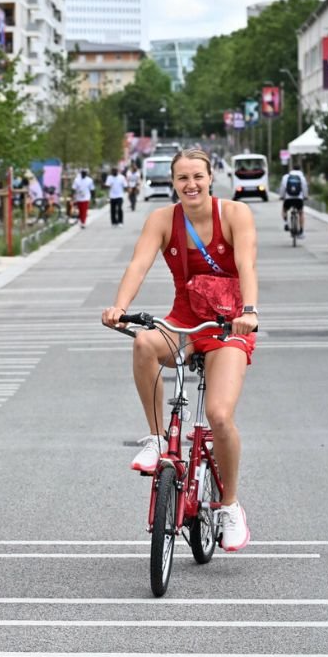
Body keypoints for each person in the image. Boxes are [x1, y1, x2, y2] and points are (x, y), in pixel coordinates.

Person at [100, 149, 258, 551]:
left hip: (227, 326)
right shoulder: (162, 220)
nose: (191, 185)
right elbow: (139, 264)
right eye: (182, 178)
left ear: (210, 178)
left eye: (197, 177)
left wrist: (250, 312)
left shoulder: (235, 214)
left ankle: (230, 505)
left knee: (220, 416)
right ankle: (156, 439)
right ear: (172, 182)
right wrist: (119, 305)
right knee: (143, 342)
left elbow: (247, 265)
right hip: (185, 323)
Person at [279, 167, 308, 238]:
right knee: (301, 213)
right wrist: (305, 196)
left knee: (284, 210)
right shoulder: (302, 177)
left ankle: (286, 223)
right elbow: (305, 188)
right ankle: (301, 230)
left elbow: (282, 187)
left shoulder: (286, 177)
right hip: (299, 198)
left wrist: (281, 196)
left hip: (288, 198)